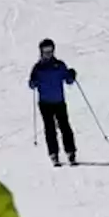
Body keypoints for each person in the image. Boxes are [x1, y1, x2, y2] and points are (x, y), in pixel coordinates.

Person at [27, 38, 77, 166]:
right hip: (45, 103)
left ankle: (70, 152)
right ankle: (53, 154)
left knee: (65, 126)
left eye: (50, 51)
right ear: (41, 52)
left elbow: (68, 80)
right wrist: (33, 82)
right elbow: (32, 84)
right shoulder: (38, 68)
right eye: (45, 51)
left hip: (59, 101)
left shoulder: (59, 65)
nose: (48, 54)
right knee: (50, 129)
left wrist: (71, 75)